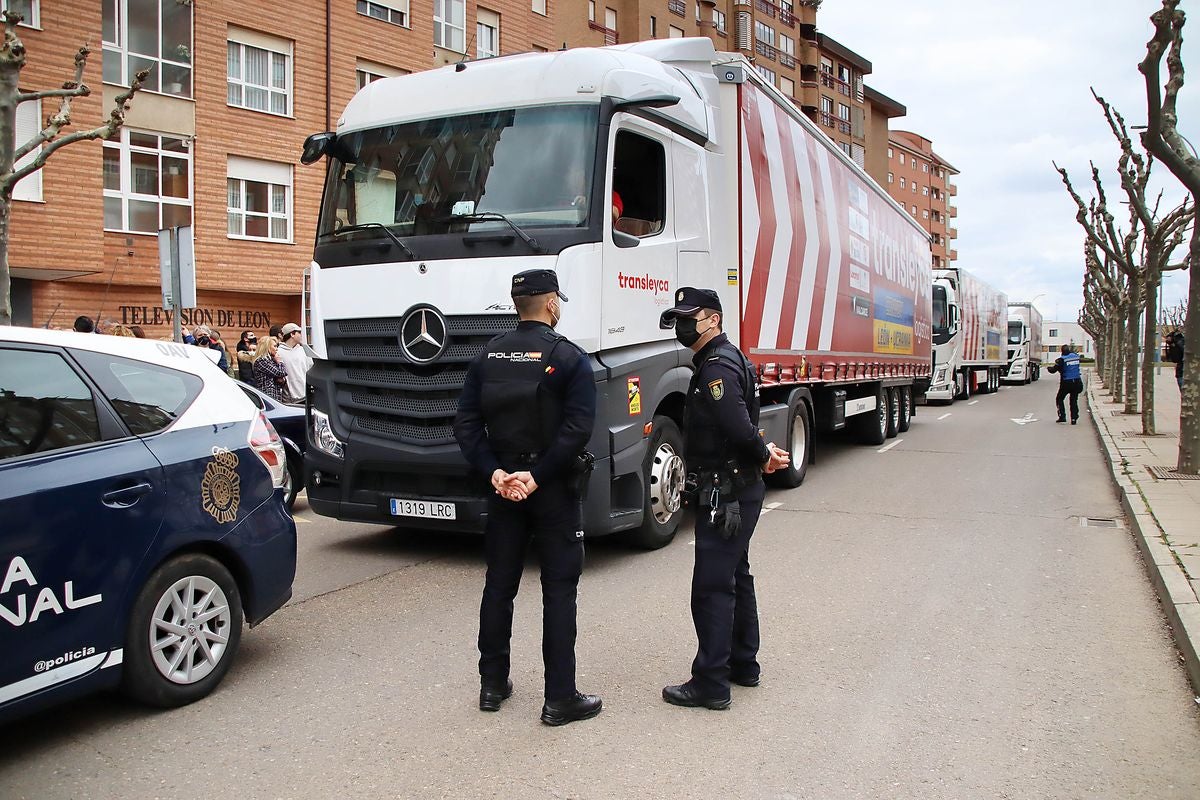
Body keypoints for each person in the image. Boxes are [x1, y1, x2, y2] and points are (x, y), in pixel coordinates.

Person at [452, 268, 601, 727]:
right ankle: (560, 698)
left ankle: (492, 685)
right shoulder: (569, 358)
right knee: (559, 589)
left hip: (504, 489)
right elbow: (578, 429)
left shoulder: (488, 356)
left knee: (500, 585)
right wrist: (536, 476)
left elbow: (465, 424)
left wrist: (496, 472)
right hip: (551, 487)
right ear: (553, 304)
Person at [658, 287, 789, 710]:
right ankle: (743, 664)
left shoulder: (717, 367)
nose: (681, 325)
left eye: (688, 316)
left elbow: (735, 424)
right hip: (736, 487)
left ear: (712, 319)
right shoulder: (728, 358)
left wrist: (763, 453)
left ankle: (711, 682)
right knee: (736, 574)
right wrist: (760, 455)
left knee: (712, 587)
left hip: (725, 490)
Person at [1047, 343, 1083, 424]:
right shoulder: (1075, 356)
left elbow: (1053, 370)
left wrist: (1048, 368)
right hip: (1077, 381)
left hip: (1066, 383)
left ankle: (1062, 416)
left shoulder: (1061, 360)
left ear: (1062, 351)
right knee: (1073, 400)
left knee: (1059, 398)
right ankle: (1074, 418)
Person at [277, 323, 313, 403]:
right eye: (299, 332)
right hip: (289, 400)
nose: (301, 335)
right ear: (292, 334)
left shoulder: (303, 350)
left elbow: (311, 369)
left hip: (307, 396)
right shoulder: (279, 352)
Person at [252, 336, 288, 401]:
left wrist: (282, 379)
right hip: (267, 396)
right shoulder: (261, 361)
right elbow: (281, 372)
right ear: (267, 347)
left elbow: (283, 377)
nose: (277, 349)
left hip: (276, 396)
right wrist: (280, 362)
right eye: (274, 346)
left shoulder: (272, 360)